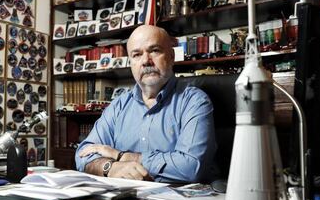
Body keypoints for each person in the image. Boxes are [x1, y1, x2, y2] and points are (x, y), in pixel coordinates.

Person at [75, 25, 217, 182]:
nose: (146, 61)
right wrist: (110, 167)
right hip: (124, 198)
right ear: (130, 63)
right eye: (136, 55)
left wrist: (123, 156)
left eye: (155, 51)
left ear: (171, 57)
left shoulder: (194, 102)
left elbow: (191, 167)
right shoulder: (119, 105)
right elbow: (83, 154)